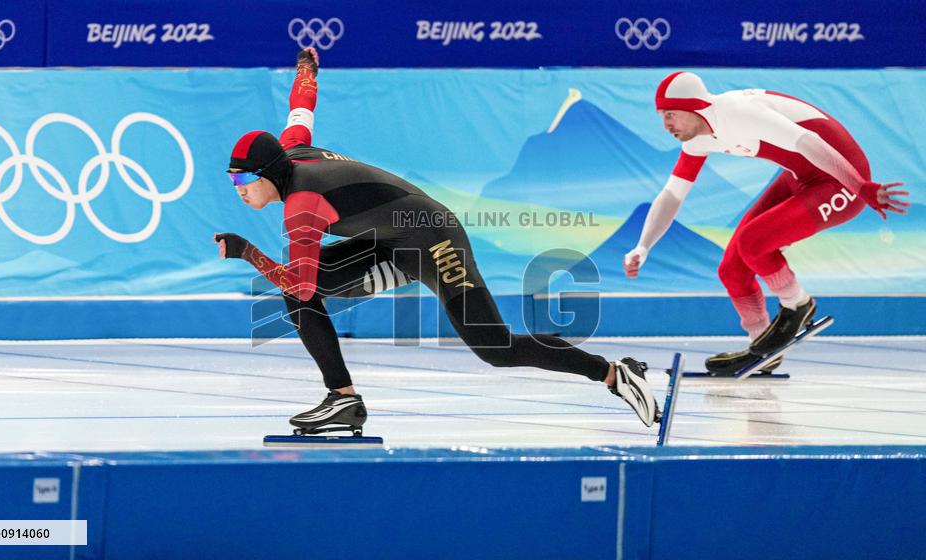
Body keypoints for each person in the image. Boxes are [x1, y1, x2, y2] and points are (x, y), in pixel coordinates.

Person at [215, 48, 660, 434]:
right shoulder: (291, 148)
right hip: (390, 241)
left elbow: (304, 284)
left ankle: (614, 374)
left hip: (433, 238)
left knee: (495, 348)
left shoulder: (303, 208)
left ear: (268, 174)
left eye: (242, 178)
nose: (238, 187)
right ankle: (343, 399)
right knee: (296, 294)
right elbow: (301, 108)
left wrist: (245, 252)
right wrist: (305, 65)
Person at [624, 72, 909, 375]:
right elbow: (672, 194)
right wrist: (643, 245)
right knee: (731, 269)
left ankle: (798, 304)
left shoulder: (740, 113)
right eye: (661, 117)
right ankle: (763, 346)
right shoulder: (698, 140)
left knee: (753, 242)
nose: (666, 125)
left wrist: (860, 185)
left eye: (670, 115)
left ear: (693, 107)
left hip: (840, 180)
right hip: (802, 177)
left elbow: (809, 142)